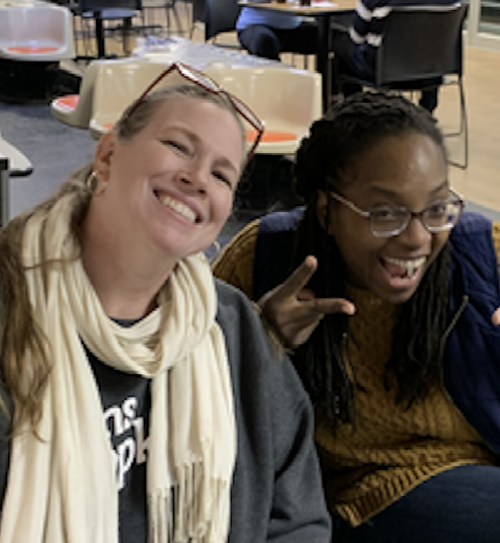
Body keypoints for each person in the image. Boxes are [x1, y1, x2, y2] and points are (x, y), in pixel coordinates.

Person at [0, 63, 332, 543]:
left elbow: (298, 519)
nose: (198, 178)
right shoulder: (14, 305)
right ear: (108, 156)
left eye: (221, 175)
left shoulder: (233, 329)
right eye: (178, 146)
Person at [213, 91, 500, 542]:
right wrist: (262, 342)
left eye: (437, 207)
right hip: (355, 497)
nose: (417, 238)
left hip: (481, 469)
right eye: (385, 213)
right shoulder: (264, 260)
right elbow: (192, 405)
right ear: (327, 210)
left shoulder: (483, 254)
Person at [331, 0, 460, 112]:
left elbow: (356, 38)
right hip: (433, 73)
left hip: (383, 70)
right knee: (428, 50)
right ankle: (428, 110)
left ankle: (354, 109)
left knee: (340, 47)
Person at [236, 3, 318, 61]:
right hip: (256, 24)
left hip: (292, 26)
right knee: (264, 41)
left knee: (324, 36)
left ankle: (323, 79)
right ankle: (277, 79)